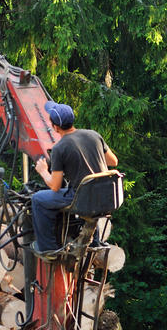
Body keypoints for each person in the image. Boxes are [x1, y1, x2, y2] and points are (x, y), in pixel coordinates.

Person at [32, 101, 118, 253]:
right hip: (105, 197)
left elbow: (55, 186)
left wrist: (43, 171)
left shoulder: (59, 148)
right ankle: (94, 242)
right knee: (89, 193)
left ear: (55, 127)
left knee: (38, 199)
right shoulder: (93, 135)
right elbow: (113, 161)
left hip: (82, 199)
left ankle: (48, 249)